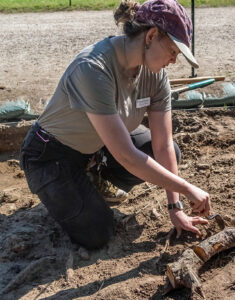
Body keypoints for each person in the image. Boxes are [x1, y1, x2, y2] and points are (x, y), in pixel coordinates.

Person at [20, 0, 211, 249]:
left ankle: (91, 177)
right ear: (151, 35)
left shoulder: (155, 76)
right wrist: (187, 188)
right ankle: (65, 190)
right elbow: (126, 155)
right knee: (98, 233)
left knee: (169, 151)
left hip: (97, 148)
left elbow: (162, 144)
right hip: (51, 155)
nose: (174, 61)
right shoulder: (93, 68)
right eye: (173, 51)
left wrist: (175, 207)